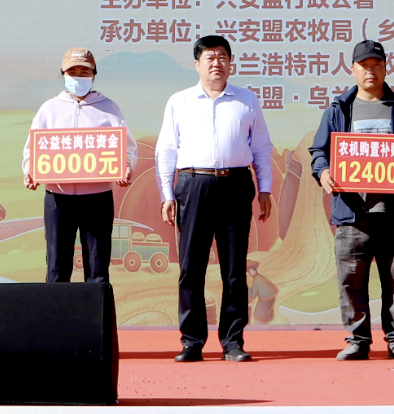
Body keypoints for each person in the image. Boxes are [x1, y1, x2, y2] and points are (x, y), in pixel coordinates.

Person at [310, 41, 394, 362]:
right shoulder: (339, 109)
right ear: (352, 69)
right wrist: (324, 172)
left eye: (376, 65)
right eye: (364, 66)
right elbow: (319, 151)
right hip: (352, 213)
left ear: (385, 68)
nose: (370, 71)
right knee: (351, 280)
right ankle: (357, 340)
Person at [157, 35, 275, 362]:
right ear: (196, 64)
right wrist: (167, 193)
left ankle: (233, 341)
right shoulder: (179, 101)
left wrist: (265, 189)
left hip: (235, 185)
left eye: (222, 56)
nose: (216, 63)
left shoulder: (246, 100)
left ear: (230, 63)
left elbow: (261, 148)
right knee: (191, 267)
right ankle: (192, 341)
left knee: (234, 268)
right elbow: (166, 150)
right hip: (193, 185)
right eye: (209, 57)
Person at [23, 47, 137, 283]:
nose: (78, 77)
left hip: (97, 198)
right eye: (72, 72)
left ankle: (97, 309)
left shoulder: (109, 108)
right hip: (58, 198)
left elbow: (127, 148)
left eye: (84, 72)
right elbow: (32, 149)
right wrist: (30, 170)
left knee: (97, 269)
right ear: (63, 74)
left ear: (94, 74)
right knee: (57, 268)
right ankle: (57, 310)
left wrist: (126, 165)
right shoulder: (49, 109)